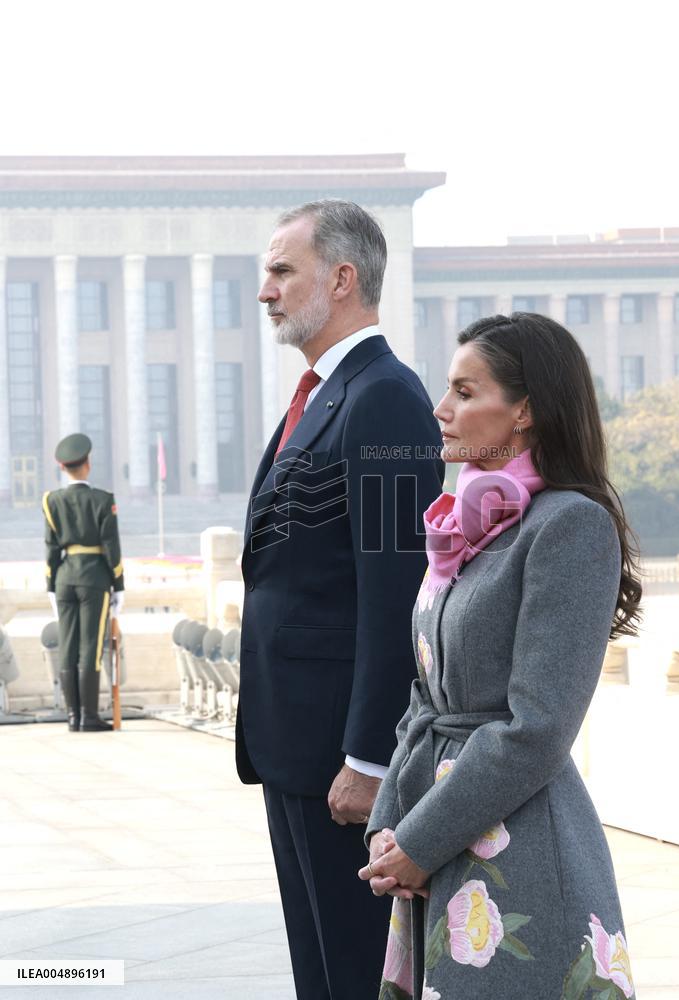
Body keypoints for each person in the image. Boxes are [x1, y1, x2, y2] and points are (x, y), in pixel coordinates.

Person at [360, 312, 642, 1000]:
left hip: (518, 844)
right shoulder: (465, 524)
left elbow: (539, 725)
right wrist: (388, 826)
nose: (441, 408)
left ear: (524, 411)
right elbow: (425, 699)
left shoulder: (570, 524)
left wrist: (420, 842)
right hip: (438, 830)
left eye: (465, 390)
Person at [237, 199, 444, 1000]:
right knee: (318, 972)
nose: (267, 290)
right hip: (293, 741)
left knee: (354, 972)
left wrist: (369, 757)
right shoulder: (323, 393)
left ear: (344, 278)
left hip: (339, 758)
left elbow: (396, 588)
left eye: (283, 270)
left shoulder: (384, 396)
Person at [43, 433, 125, 733]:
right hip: (94, 578)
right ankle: (89, 715)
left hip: (64, 578)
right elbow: (111, 547)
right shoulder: (102, 500)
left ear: (63, 468)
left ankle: (72, 716)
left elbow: (50, 547)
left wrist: (51, 585)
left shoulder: (52, 501)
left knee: (68, 644)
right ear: (87, 464)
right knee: (90, 644)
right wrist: (119, 584)